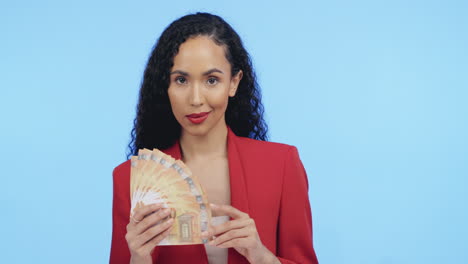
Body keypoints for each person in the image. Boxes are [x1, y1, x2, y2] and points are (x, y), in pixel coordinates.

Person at [110, 12, 319, 264]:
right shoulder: (128, 178)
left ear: (233, 82)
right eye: (181, 80)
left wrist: (262, 256)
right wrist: (138, 259)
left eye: (212, 80)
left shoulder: (282, 164)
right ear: (164, 87)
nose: (196, 99)